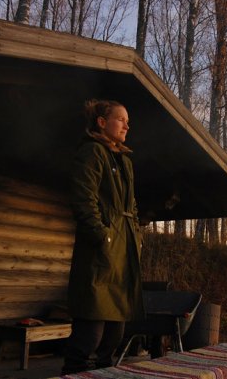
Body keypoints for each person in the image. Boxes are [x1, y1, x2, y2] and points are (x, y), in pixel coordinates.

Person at [62, 99, 144, 375]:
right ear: (101, 122)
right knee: (89, 336)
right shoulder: (92, 152)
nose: (126, 126)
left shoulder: (124, 162)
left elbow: (131, 206)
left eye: (127, 122)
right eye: (121, 120)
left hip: (123, 252)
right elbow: (83, 199)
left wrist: (136, 238)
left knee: (113, 338)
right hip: (100, 252)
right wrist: (102, 236)